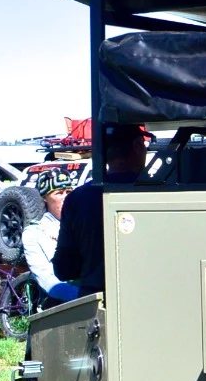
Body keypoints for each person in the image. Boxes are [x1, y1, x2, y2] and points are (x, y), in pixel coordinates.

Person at [53, 125, 149, 297]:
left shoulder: (77, 198)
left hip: (94, 300)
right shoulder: (158, 193)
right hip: (148, 296)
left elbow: (64, 269)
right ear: (137, 145)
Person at [21, 170, 81, 306]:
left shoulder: (84, 224)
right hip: (61, 305)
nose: (66, 198)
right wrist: (83, 295)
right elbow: (47, 280)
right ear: (45, 198)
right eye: (59, 193)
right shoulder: (34, 233)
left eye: (69, 192)